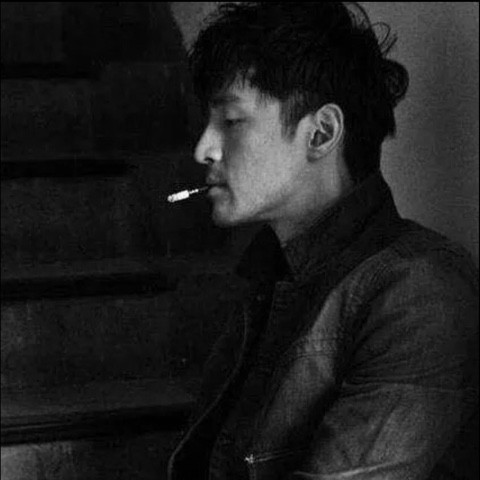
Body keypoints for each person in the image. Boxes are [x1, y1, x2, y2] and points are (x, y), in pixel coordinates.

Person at [168, 2, 479, 479]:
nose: (203, 149)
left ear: (321, 133)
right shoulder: (271, 275)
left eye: (230, 121)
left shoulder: (419, 292)